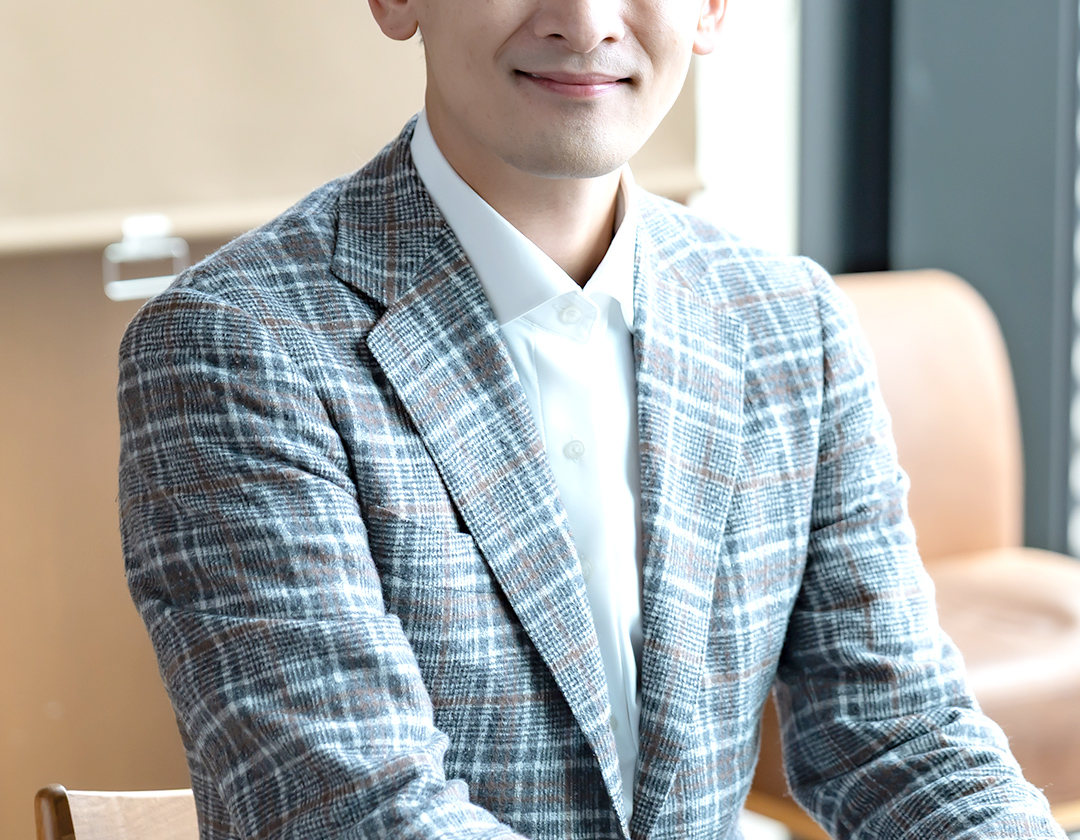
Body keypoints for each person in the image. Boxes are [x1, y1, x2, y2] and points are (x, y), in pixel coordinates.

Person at [116, 0, 1066, 837]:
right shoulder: (236, 348)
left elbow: (900, 739)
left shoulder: (790, 325)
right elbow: (355, 811)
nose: (584, 21)